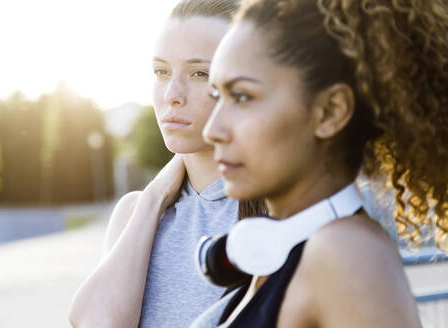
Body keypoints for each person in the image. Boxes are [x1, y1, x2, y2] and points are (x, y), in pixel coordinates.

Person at [191, 0, 448, 327]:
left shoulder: (347, 253)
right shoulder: (288, 253)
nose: (212, 130)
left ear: (330, 111)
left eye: (242, 96)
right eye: (217, 97)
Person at [68, 1, 265, 327]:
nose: (172, 94)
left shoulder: (283, 210)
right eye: (161, 72)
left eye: (199, 73)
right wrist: (154, 197)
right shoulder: (137, 212)